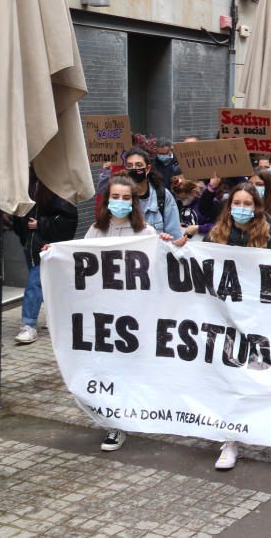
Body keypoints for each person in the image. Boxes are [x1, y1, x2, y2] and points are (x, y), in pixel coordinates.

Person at [84, 175, 183, 451]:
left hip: (135, 316)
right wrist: (53, 253)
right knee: (107, 368)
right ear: (107, 200)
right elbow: (79, 260)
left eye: (126, 198)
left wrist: (170, 246)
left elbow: (163, 267)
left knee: (129, 369)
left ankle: (128, 416)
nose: (120, 202)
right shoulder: (95, 231)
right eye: (115, 197)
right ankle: (114, 424)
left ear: (134, 202)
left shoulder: (146, 233)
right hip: (103, 314)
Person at [203, 183, 271, 471]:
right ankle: (230, 440)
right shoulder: (216, 233)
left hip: (256, 317)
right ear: (229, 205)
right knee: (227, 377)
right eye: (238, 203)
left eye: (248, 204)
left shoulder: (267, 234)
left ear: (257, 207)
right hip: (222, 316)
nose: (242, 209)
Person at [12, 178, 79, 345]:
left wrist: (40, 224)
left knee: (34, 283)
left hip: (47, 246)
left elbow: (68, 218)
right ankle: (57, 319)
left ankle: (29, 325)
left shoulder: (56, 184)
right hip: (32, 245)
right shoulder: (27, 183)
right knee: (47, 285)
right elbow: (19, 215)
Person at [100, 147, 183, 239]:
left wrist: (166, 241)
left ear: (147, 169)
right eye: (129, 166)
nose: (134, 169)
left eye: (139, 165)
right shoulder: (120, 197)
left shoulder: (163, 196)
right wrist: (106, 171)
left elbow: (174, 236)